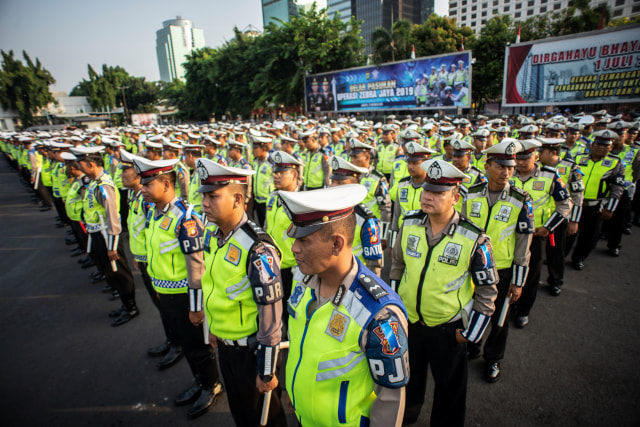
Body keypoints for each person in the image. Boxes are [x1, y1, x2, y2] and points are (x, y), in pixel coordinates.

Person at [279, 184, 409, 427]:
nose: (294, 248)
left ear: (337, 244)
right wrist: (292, 388)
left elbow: (390, 400)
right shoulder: (304, 281)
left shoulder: (378, 314)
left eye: (304, 241)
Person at [390, 159, 498, 426]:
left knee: (449, 394)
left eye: (438, 193)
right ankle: (408, 416)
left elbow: (487, 291)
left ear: (456, 197)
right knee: (407, 383)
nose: (428, 197)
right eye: (427, 190)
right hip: (409, 324)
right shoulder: (410, 223)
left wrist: (471, 334)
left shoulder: (474, 238)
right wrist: (393, 311)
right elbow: (397, 266)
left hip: (448, 330)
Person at [196, 158, 287, 427]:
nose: (204, 203)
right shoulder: (214, 235)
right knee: (241, 413)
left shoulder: (258, 249)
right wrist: (213, 327)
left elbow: (271, 318)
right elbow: (217, 288)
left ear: (238, 199)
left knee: (265, 419)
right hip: (226, 347)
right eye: (204, 196)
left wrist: (266, 368)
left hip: (252, 353)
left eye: (213, 196)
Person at [133, 156, 222, 419]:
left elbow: (196, 268)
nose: (143, 189)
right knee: (186, 343)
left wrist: (196, 308)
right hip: (168, 293)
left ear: (166, 183)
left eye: (149, 184)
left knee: (197, 346)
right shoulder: (154, 212)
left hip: (186, 298)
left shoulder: (185, 218)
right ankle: (200, 379)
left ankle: (211, 385)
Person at [462, 139, 534, 382]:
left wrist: (518, 281)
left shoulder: (520, 199)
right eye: (500, 166)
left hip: (501, 270)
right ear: (487, 165)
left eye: (510, 167)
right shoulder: (470, 195)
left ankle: (493, 359)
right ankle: (472, 345)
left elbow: (524, 243)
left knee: (499, 319)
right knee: (469, 310)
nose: (507, 172)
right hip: (469, 268)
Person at [119, 149, 183, 368]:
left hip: (159, 264)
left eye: (126, 170)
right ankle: (172, 340)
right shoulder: (137, 197)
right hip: (148, 260)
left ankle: (177, 343)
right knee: (162, 307)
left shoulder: (148, 203)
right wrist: (140, 255)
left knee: (168, 308)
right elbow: (146, 231)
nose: (123, 174)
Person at [71, 146, 138, 327]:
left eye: (81, 163)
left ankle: (131, 306)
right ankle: (125, 305)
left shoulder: (104, 185)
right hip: (97, 233)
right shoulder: (93, 182)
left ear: (91, 164)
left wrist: (112, 246)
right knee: (109, 272)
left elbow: (112, 217)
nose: (78, 166)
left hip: (106, 235)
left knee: (119, 272)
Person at [510, 139, 571, 327]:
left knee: (530, 275)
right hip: (509, 235)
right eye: (517, 158)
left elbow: (565, 204)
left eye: (525, 158)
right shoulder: (507, 174)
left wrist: (548, 227)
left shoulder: (550, 175)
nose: (520, 163)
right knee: (508, 272)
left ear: (535, 156)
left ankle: (523, 310)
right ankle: (508, 305)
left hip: (535, 236)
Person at [571, 129, 625, 270]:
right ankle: (562, 254)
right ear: (593, 145)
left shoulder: (615, 163)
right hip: (575, 203)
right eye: (598, 144)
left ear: (611, 147)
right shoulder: (578, 158)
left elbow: (617, 188)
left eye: (606, 146)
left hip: (595, 205)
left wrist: (610, 208)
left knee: (588, 235)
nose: (601, 147)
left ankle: (579, 258)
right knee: (568, 233)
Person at [537, 138, 584, 295]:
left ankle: (555, 281)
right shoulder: (537, 168)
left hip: (559, 218)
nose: (539, 155)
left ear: (554, 152)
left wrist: (574, 220)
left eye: (542, 152)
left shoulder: (571, 167)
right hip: (539, 219)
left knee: (556, 253)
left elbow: (577, 196)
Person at [265, 151, 304, 327]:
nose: (276, 176)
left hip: (294, 268)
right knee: (274, 307)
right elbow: (267, 227)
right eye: (275, 171)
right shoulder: (273, 197)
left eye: (281, 172)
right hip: (273, 263)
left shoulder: (303, 202)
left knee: (293, 311)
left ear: (294, 175)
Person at [329, 155, 385, 276]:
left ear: (355, 187)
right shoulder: (325, 213)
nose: (333, 186)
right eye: (332, 181)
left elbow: (374, 265)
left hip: (354, 281)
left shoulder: (366, 220)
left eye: (340, 183)